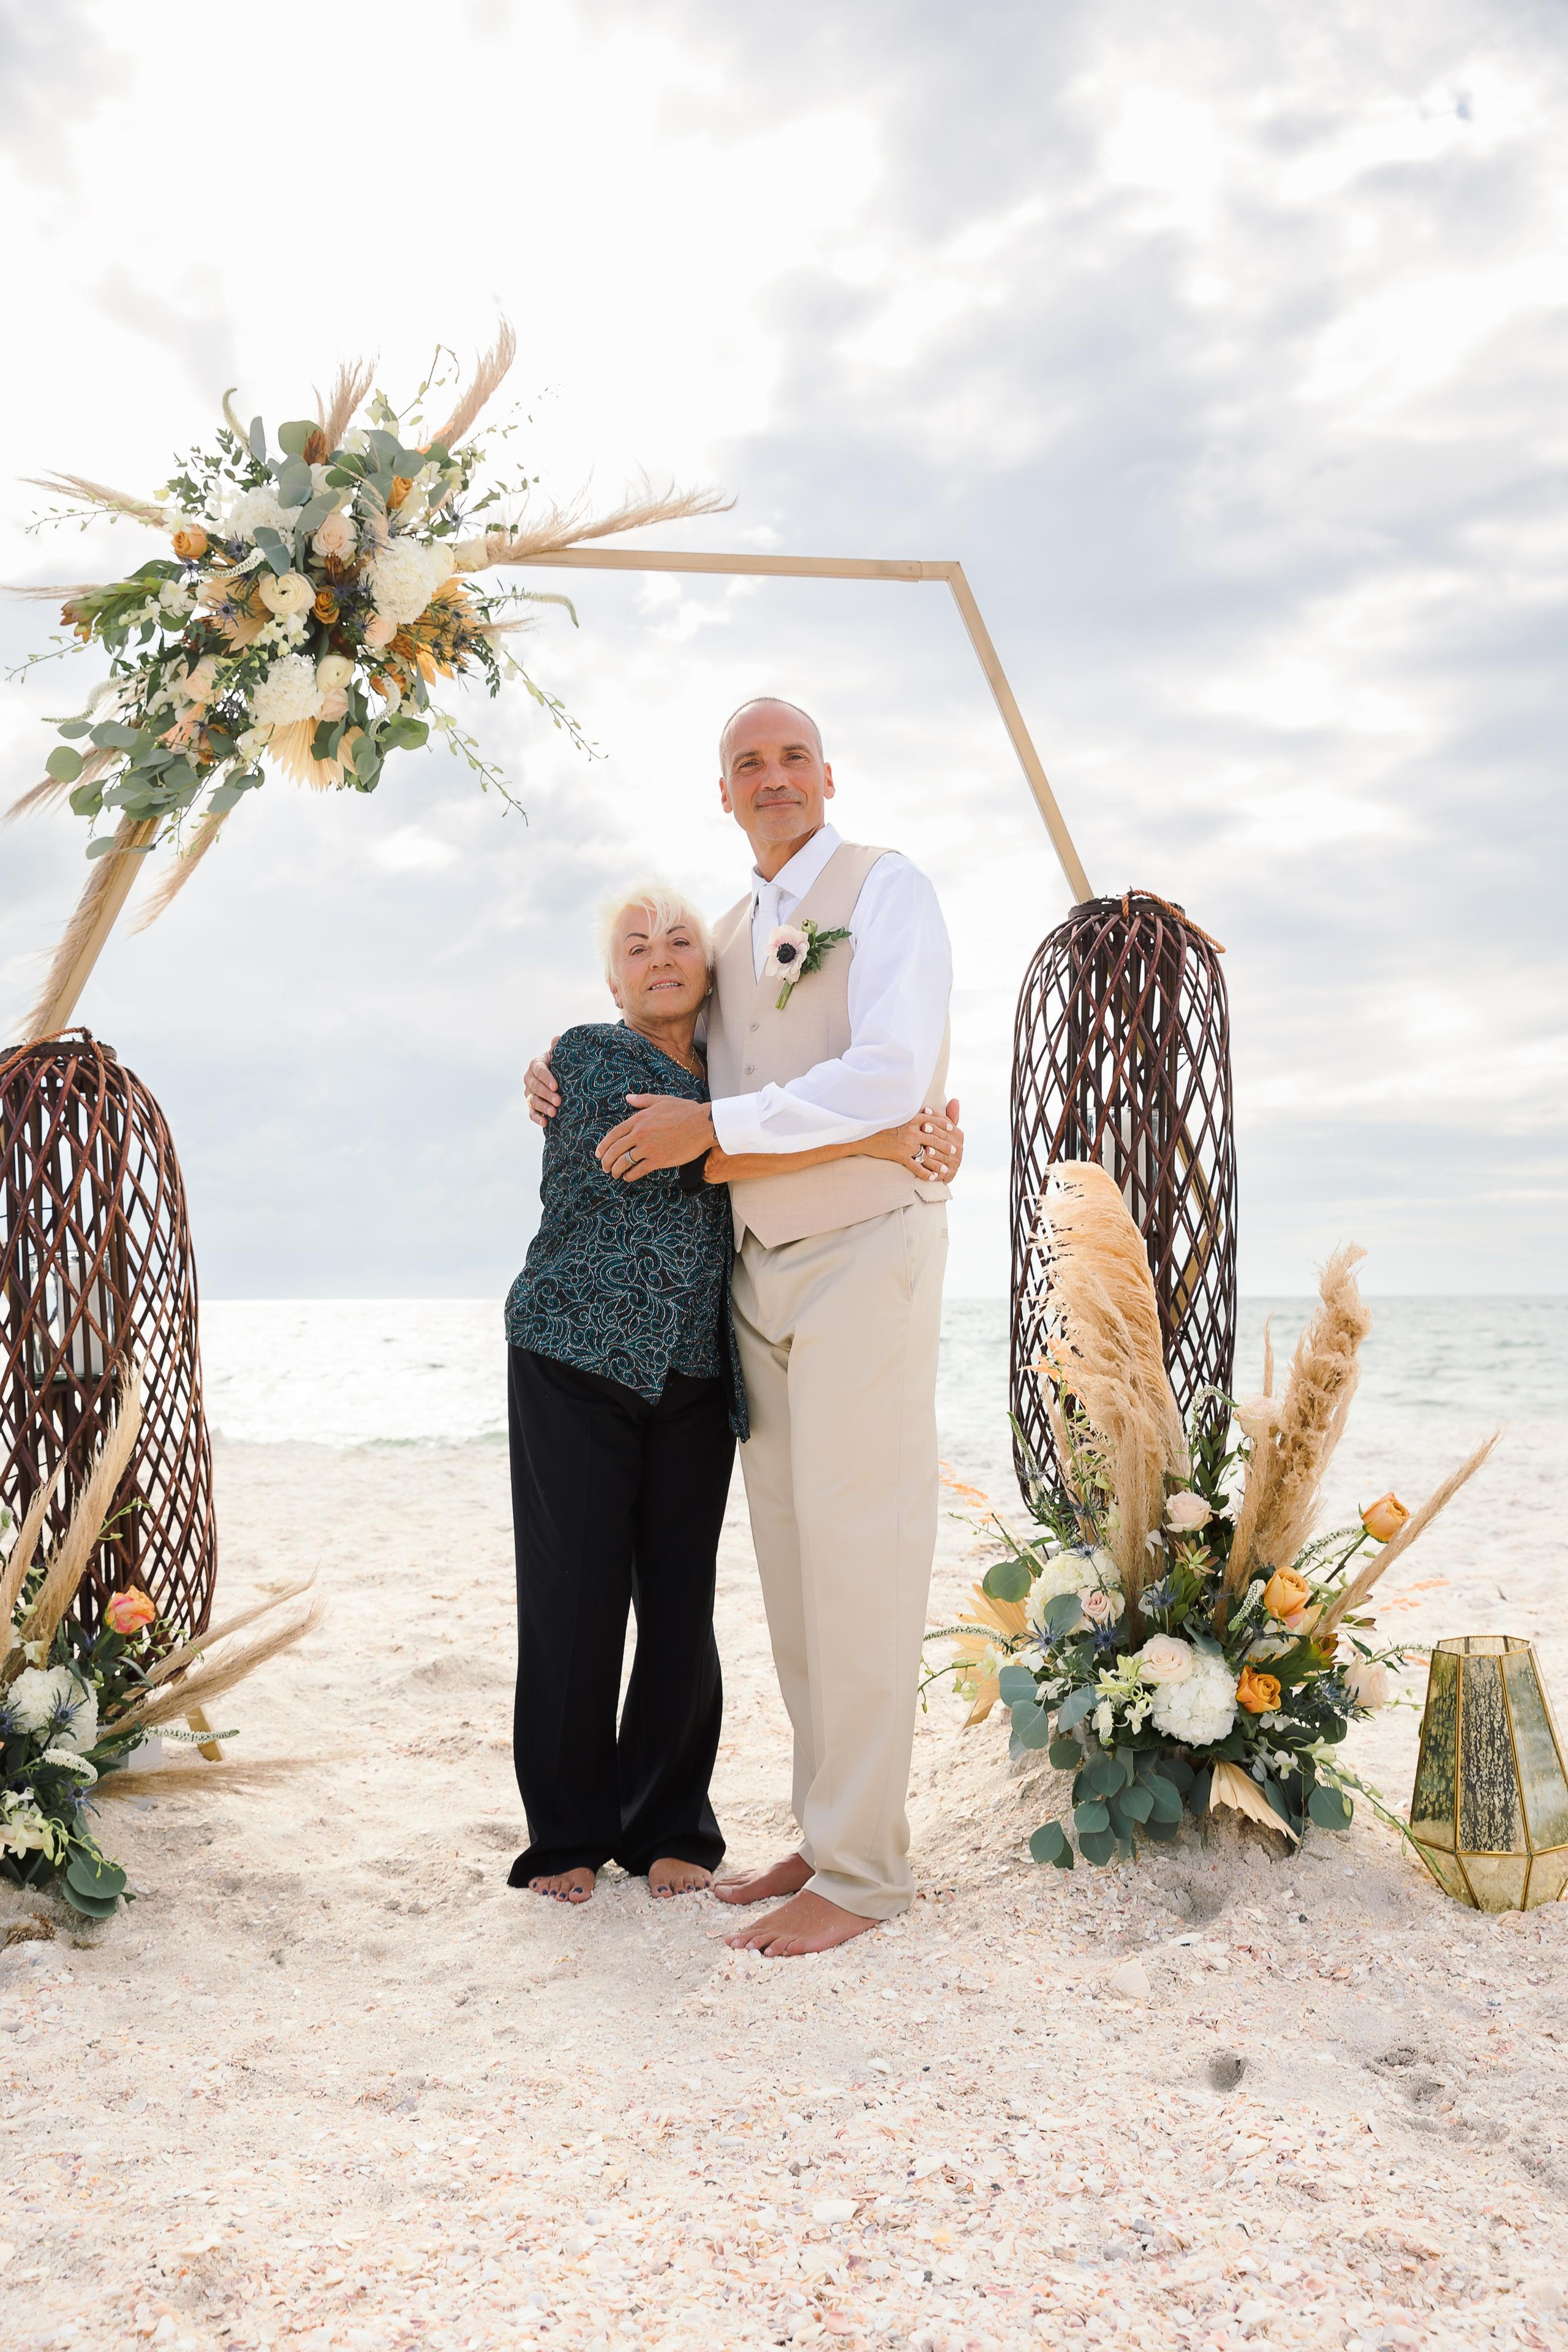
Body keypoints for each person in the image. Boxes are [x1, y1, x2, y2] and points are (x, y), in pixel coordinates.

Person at [526, 701, 957, 1954]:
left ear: (829, 774)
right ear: (724, 795)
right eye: (745, 765)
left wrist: (747, 1134)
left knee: (862, 1554)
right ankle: (830, 1834)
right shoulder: (723, 935)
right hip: (751, 1278)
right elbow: (663, 1051)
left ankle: (868, 1874)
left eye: (788, 759)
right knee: (794, 1564)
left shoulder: (887, 892)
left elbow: (889, 1068)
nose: (770, 779)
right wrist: (546, 1069)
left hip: (862, 1247)